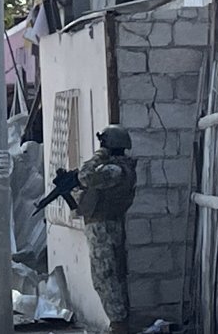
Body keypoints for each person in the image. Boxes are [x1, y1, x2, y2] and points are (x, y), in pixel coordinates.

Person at [77, 125, 137, 334]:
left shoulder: (115, 170)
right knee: (105, 276)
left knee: (107, 276)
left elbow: (85, 176)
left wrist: (98, 156)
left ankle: (119, 325)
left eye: (103, 144)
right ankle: (117, 324)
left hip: (105, 229)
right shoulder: (114, 168)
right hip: (103, 226)